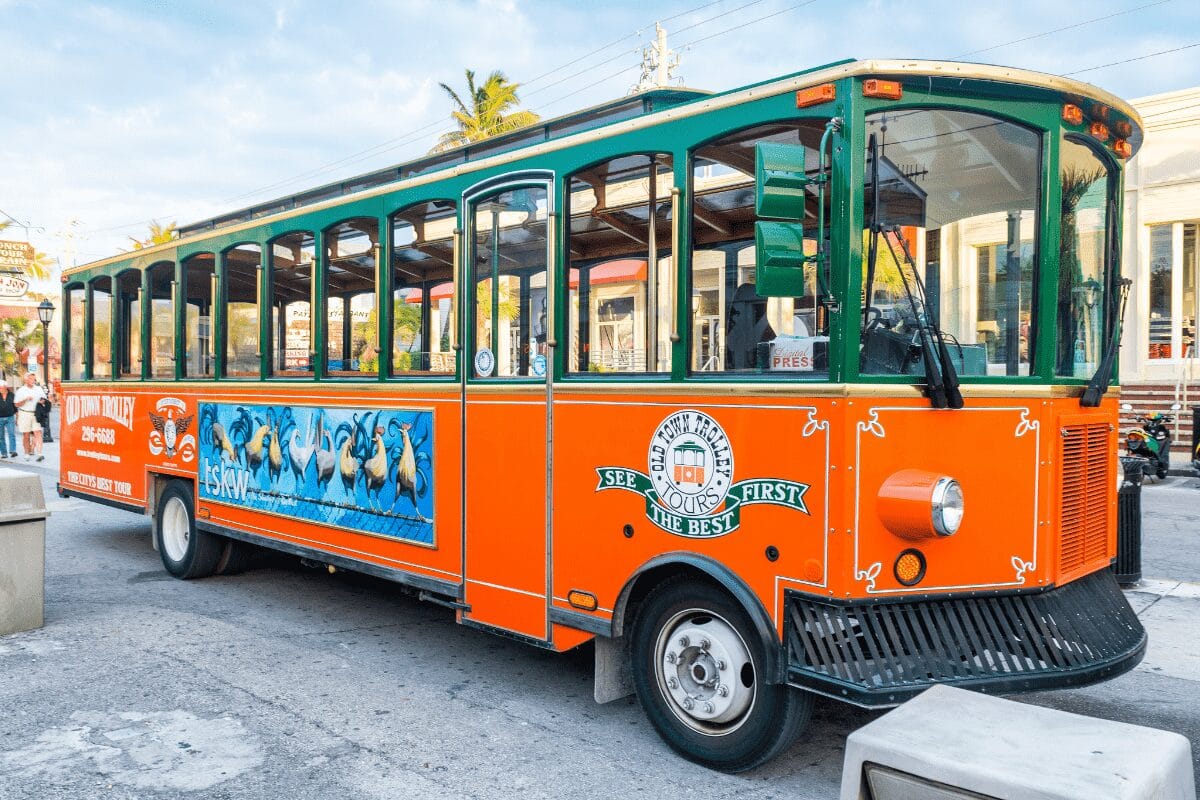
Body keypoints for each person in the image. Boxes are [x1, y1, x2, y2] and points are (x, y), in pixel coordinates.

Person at [14, 372, 46, 462]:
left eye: (34, 379)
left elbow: (44, 399)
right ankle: (27, 453)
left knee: (38, 433)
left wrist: (42, 401)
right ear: (26, 380)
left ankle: (40, 453)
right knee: (26, 435)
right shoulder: (21, 390)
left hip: (36, 414)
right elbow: (16, 404)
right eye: (31, 379)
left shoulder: (38, 389)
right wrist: (25, 399)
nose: (33, 381)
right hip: (25, 413)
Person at [0, 382, 15, 459]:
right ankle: (4, 453)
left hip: (10, 417)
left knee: (11, 434)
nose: (0, 389)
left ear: (5, 387)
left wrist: (17, 417)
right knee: (1, 436)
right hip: (0, 418)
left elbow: (15, 406)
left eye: (1, 388)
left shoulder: (12, 395)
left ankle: (12, 451)